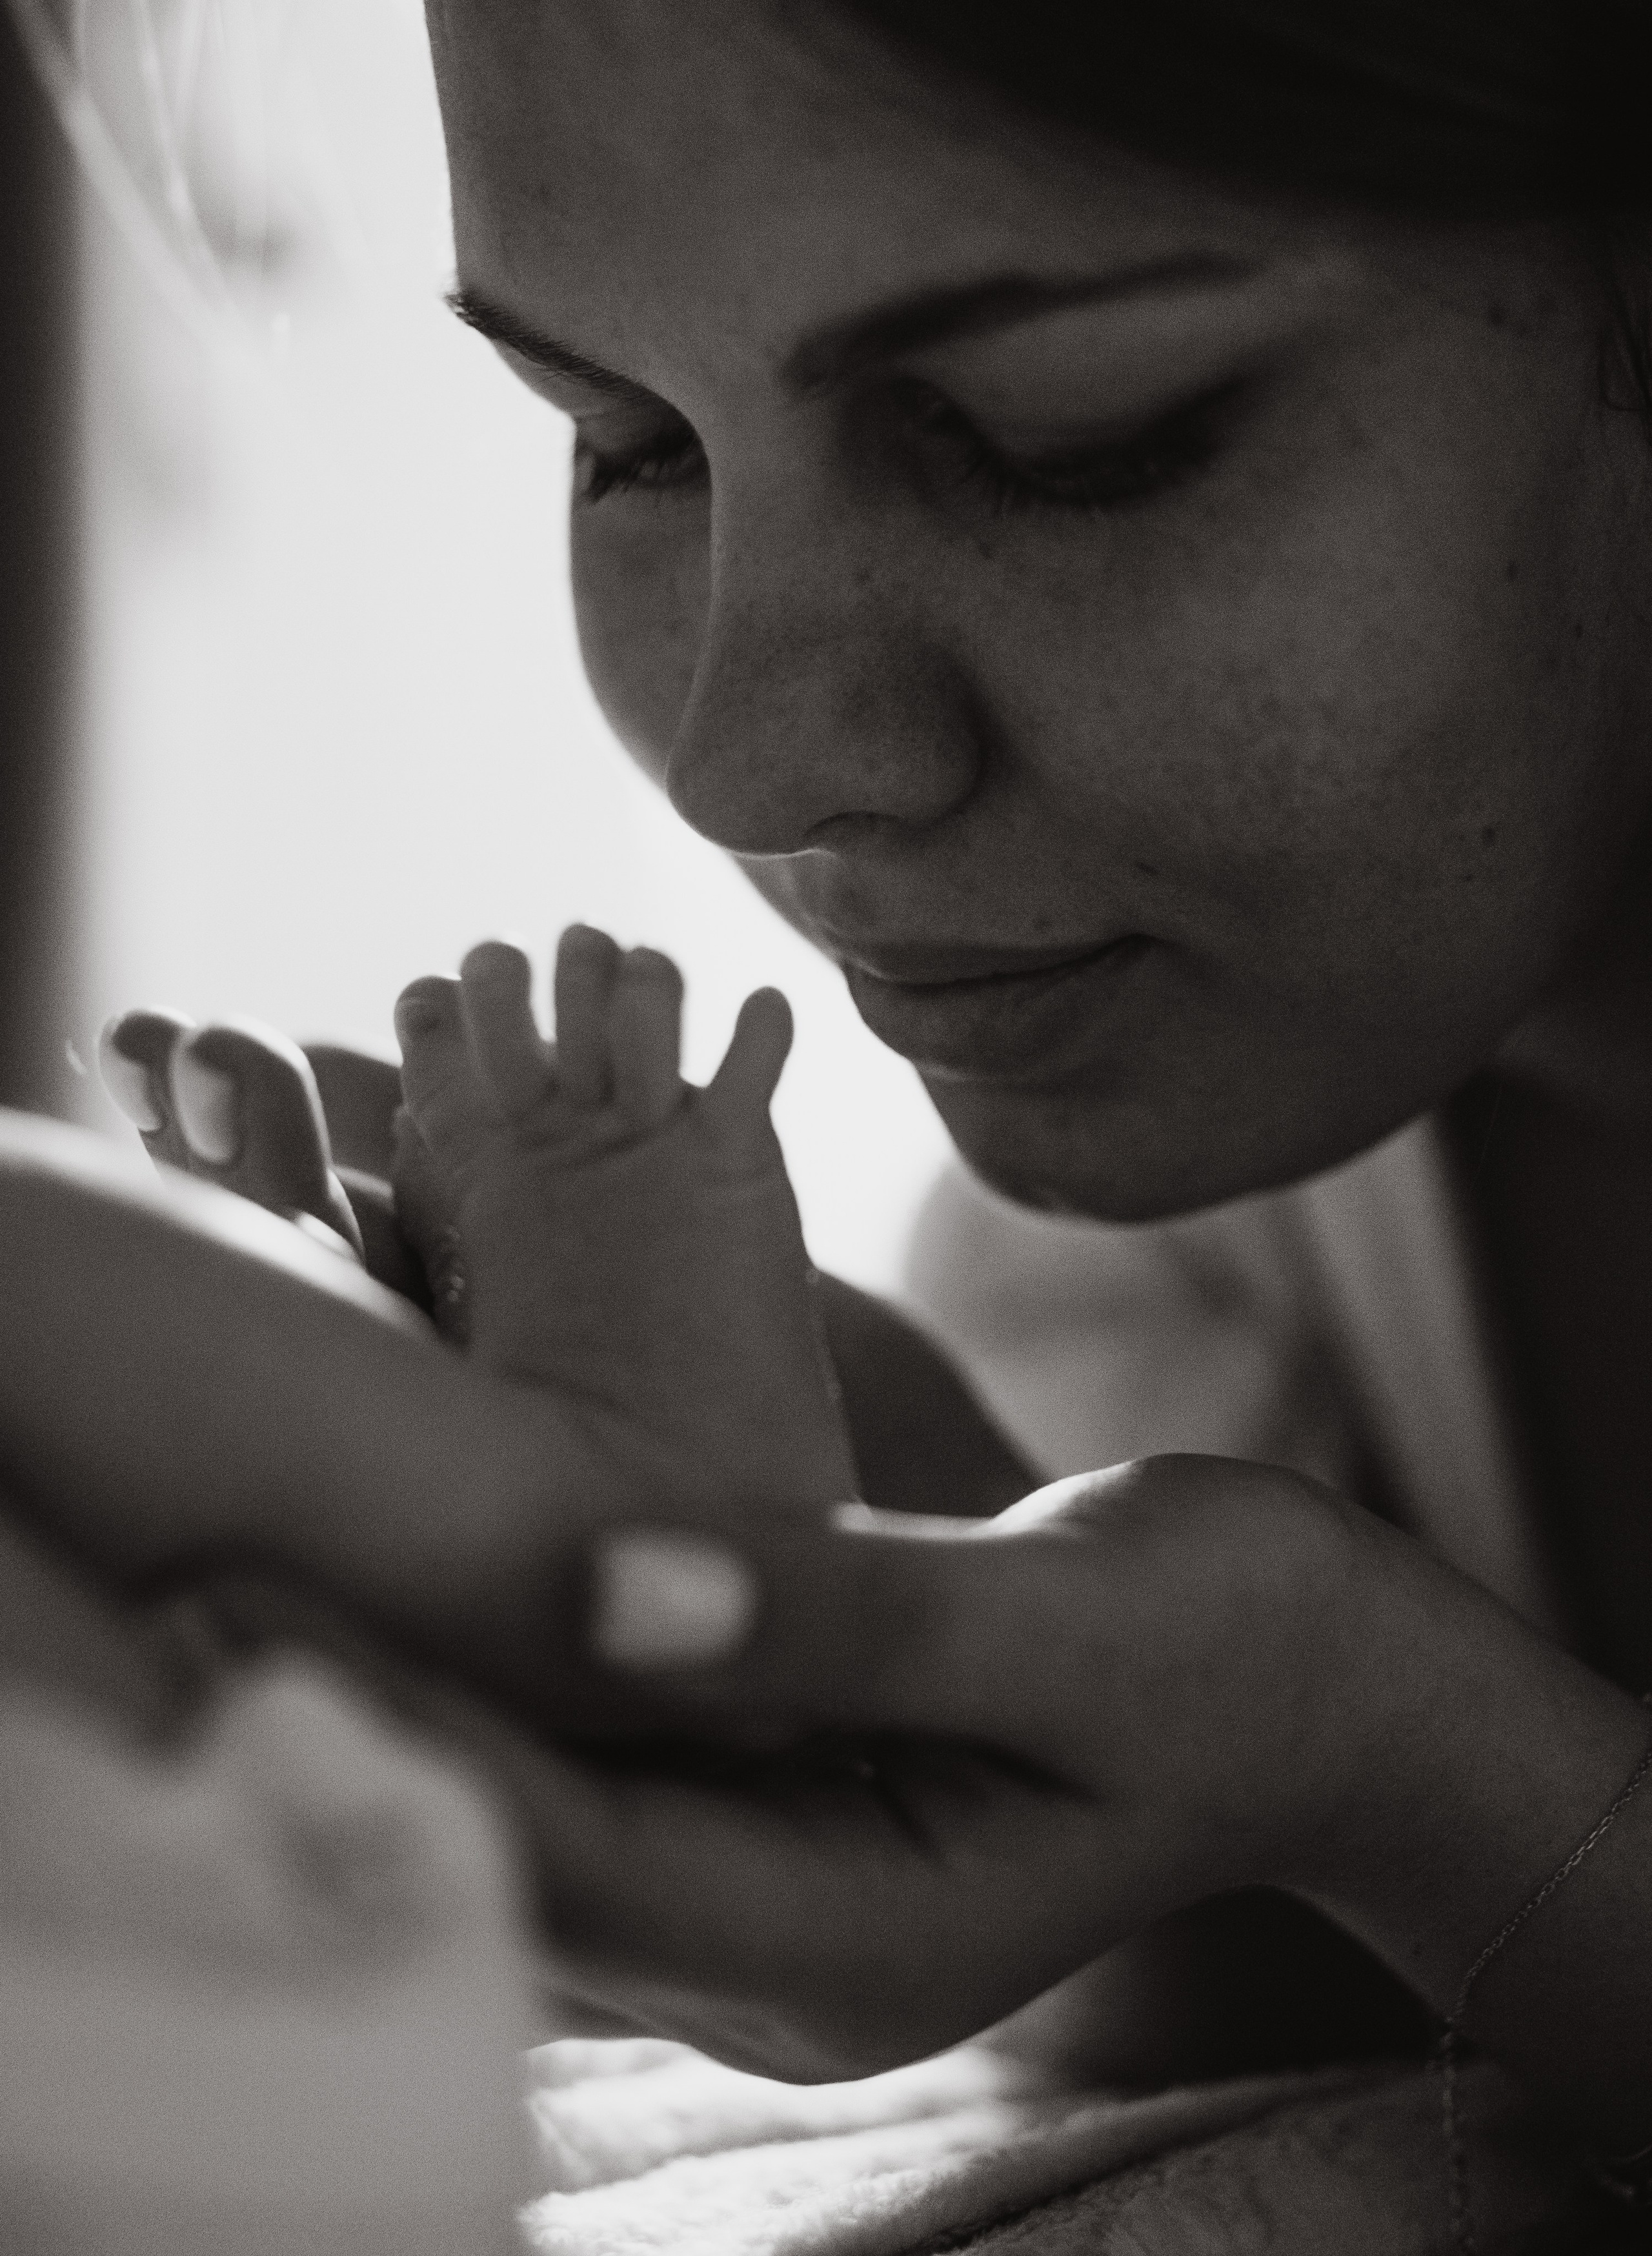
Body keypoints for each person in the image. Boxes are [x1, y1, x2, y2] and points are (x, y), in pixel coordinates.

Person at [14, 0, 1652, 2241]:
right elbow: (1371, 2035)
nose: (744, 762)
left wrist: (1396, 1754)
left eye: (1064, 437)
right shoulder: (1228, 1136)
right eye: (621, 441)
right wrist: (972, 1607)